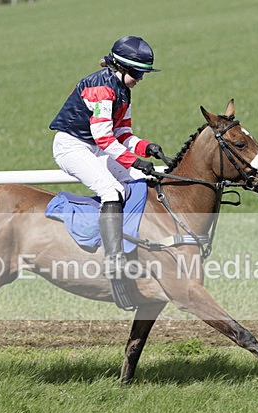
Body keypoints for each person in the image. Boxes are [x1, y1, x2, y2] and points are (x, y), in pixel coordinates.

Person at [49, 36, 165, 284]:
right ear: (120, 67)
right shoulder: (102, 89)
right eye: (137, 73)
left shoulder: (123, 90)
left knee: (135, 179)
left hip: (93, 145)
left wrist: (146, 148)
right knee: (111, 190)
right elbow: (103, 138)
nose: (140, 79)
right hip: (71, 147)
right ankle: (113, 259)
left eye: (143, 74)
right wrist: (132, 160)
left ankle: (130, 241)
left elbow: (122, 133)